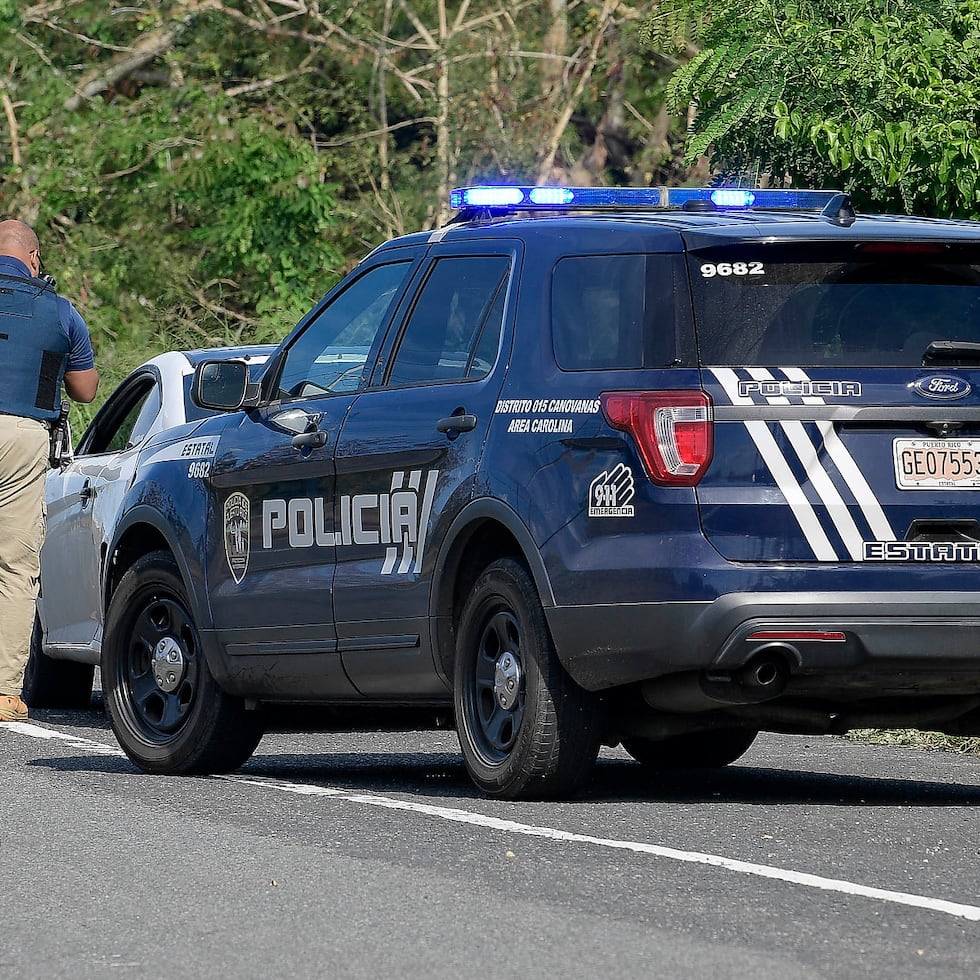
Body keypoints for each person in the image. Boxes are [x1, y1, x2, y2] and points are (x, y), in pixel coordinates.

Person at [0, 219, 98, 722]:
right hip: (20, 438)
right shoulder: (59, 311)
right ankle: (4, 693)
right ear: (34, 259)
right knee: (15, 566)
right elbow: (85, 390)